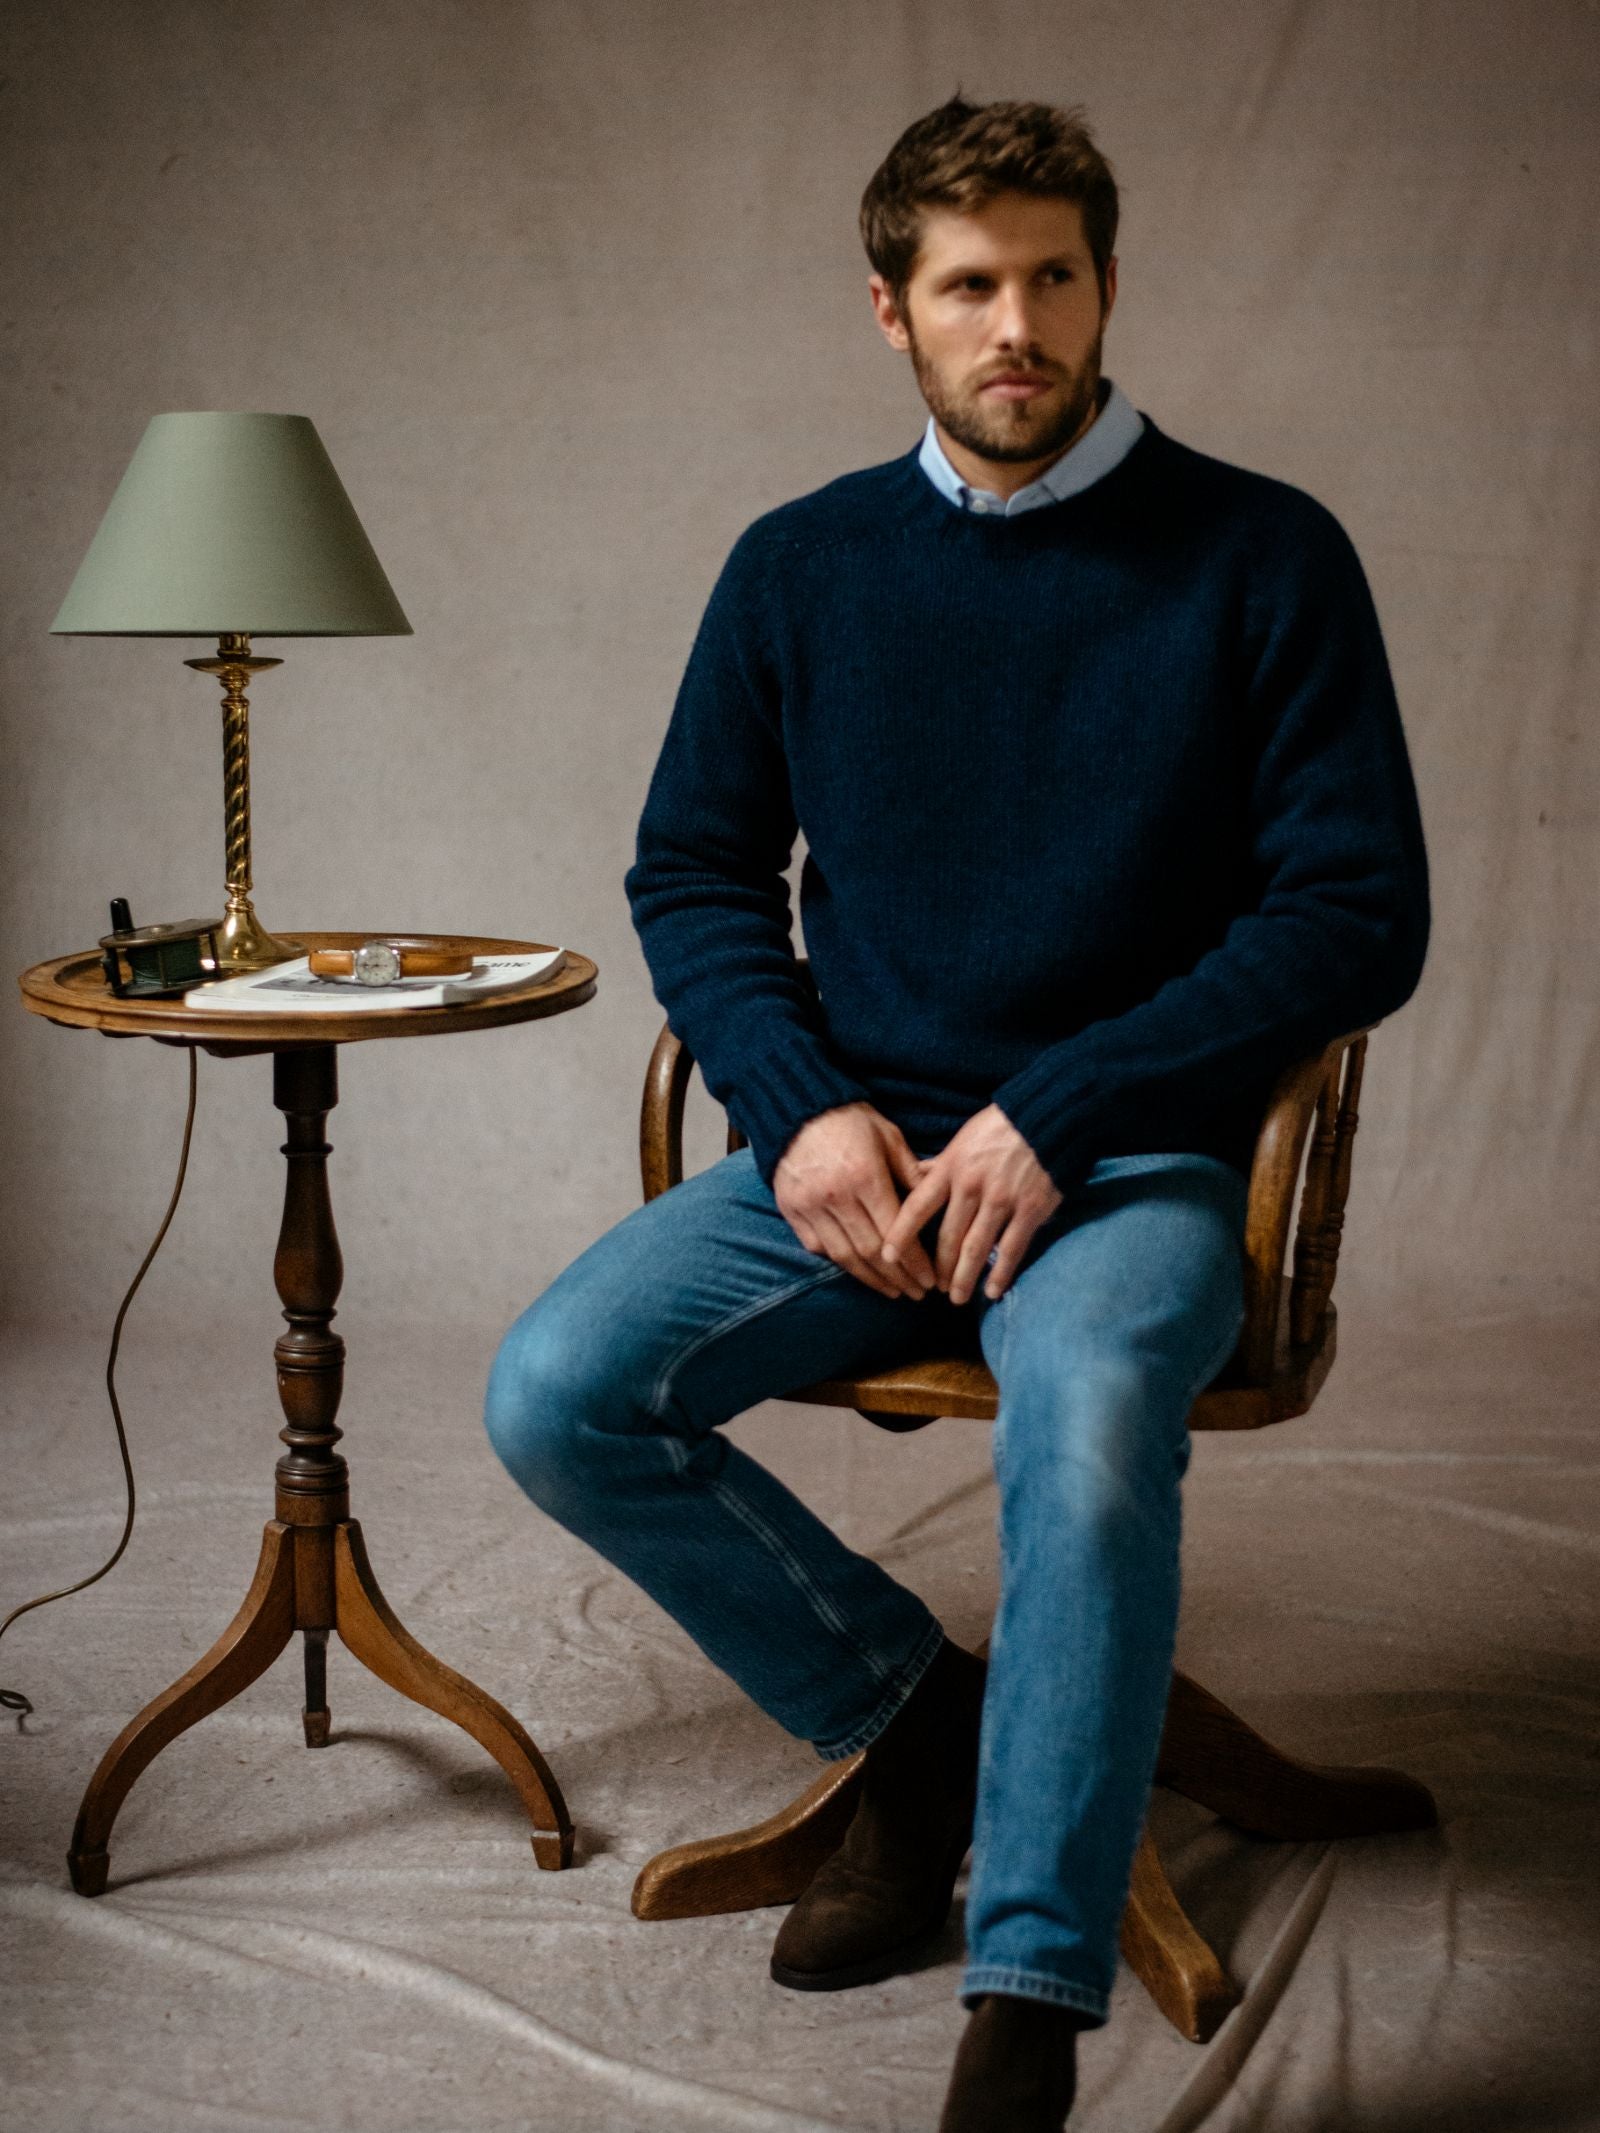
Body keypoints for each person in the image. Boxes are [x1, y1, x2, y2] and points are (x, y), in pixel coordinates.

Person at [485, 95, 1429, 2132]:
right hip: (852, 1162)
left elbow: (1357, 908)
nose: (1017, 324)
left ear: (1102, 287)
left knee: (1087, 1437)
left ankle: (1025, 1981)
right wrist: (807, 1110)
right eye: (969, 285)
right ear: (889, 314)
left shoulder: (1261, 554)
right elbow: (696, 875)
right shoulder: (798, 565)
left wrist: (1065, 1106)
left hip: (1129, 1161)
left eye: (1053, 277)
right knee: (556, 1387)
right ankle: (914, 1729)